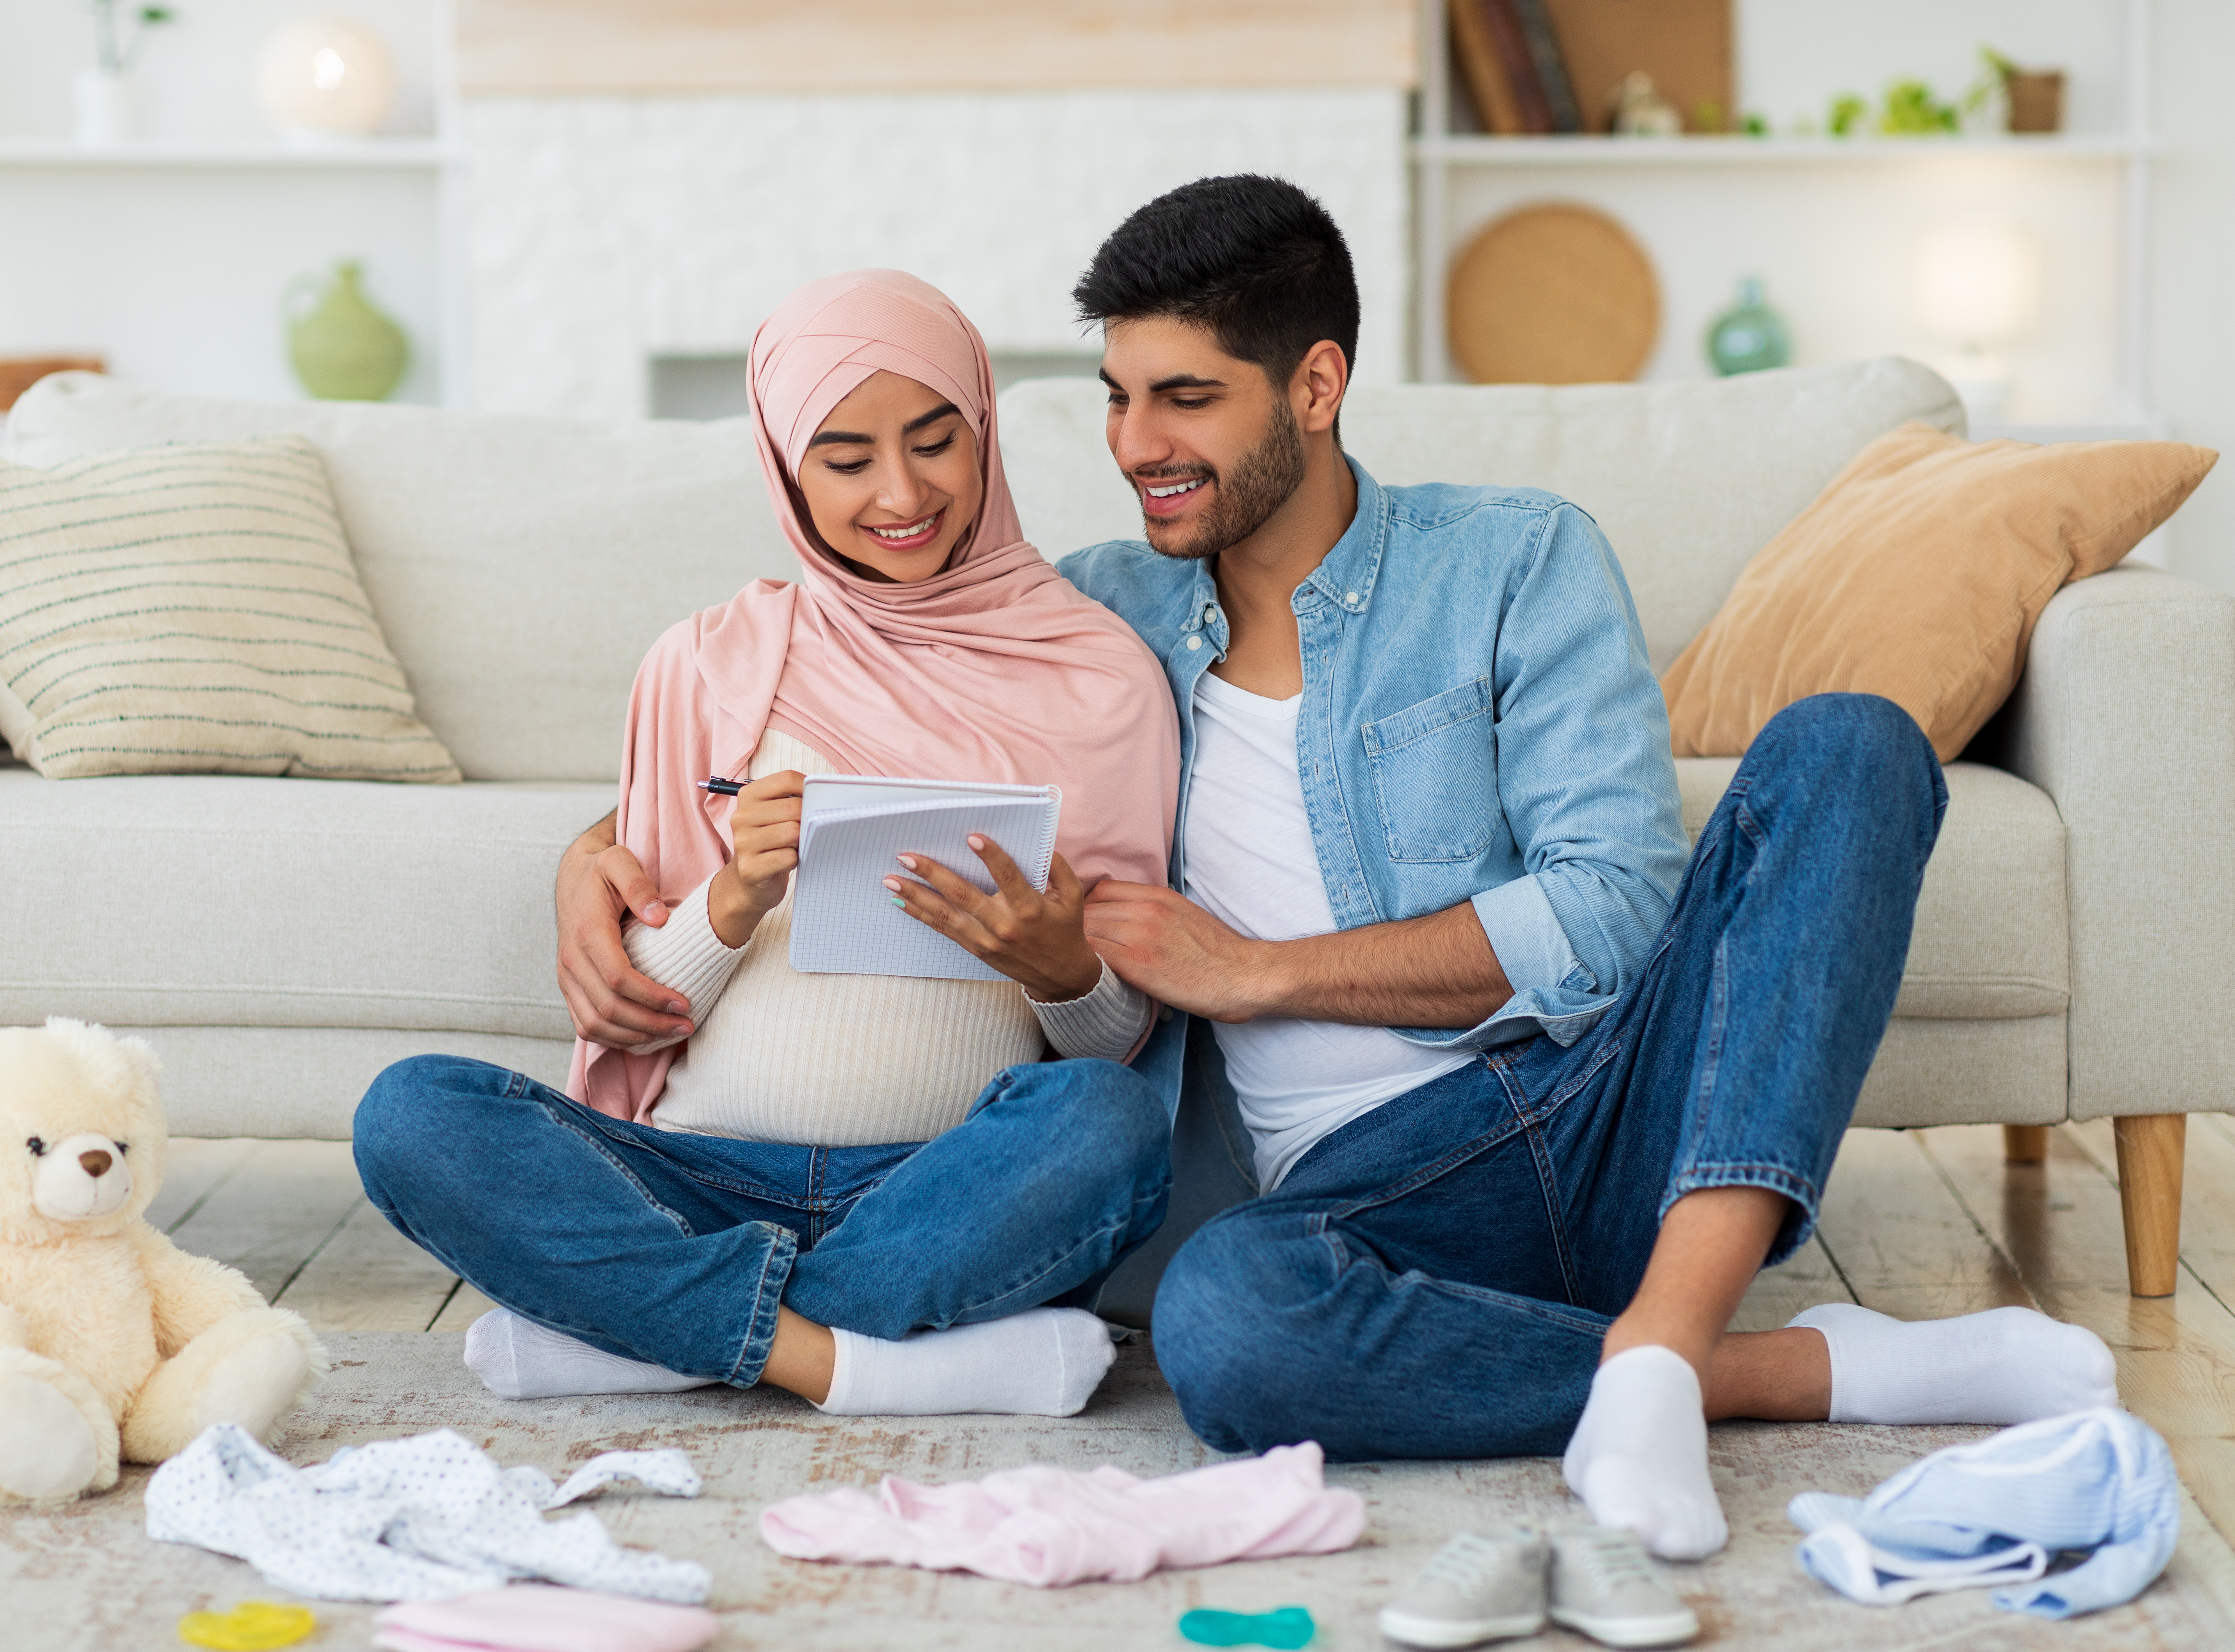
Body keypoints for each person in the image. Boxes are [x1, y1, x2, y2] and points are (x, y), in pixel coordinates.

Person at [558, 184, 2119, 1563]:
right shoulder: (1082, 621)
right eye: (1113, 400)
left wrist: (1259, 972)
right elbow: (843, 678)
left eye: (1184, 399)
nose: (1135, 449)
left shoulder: (1514, 561)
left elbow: (1609, 909)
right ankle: (1758, 1371)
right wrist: (591, 855)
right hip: (1355, 1204)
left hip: (1591, 1106)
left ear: (1315, 384)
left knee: (1849, 747)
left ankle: (1658, 1335)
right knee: (1219, 1331)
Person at [354, 270, 1182, 1420]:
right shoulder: (707, 663)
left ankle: (654, 1331)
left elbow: (1120, 1041)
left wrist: (1061, 970)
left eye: (937, 442)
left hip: (941, 1186)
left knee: (1112, 1125)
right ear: (787, 468)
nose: (902, 491)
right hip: (696, 1177)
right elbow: (626, 1013)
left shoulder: (1098, 674)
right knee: (411, 1115)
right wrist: (732, 898)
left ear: (986, 431)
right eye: (846, 460)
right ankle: (843, 1359)